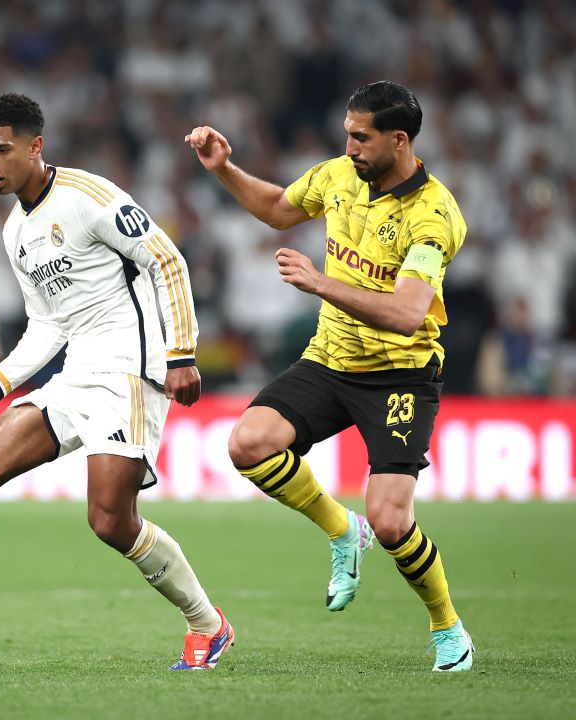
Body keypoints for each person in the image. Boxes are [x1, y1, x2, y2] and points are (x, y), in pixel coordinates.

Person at [0, 93, 234, 671]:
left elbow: (167, 260)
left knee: (108, 520)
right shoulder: (16, 231)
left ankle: (207, 623)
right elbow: (48, 324)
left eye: (2, 149)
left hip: (128, 372)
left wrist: (181, 355)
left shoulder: (88, 197)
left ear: (35, 146)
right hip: (74, 377)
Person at [185, 80, 473, 671]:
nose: (349, 147)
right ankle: (343, 530)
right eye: (346, 134)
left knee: (394, 521)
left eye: (361, 138)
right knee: (247, 444)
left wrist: (320, 282)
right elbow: (276, 210)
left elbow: (407, 314)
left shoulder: (433, 214)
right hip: (331, 358)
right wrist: (224, 169)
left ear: (399, 139)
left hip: (400, 374)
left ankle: (448, 627)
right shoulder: (339, 176)